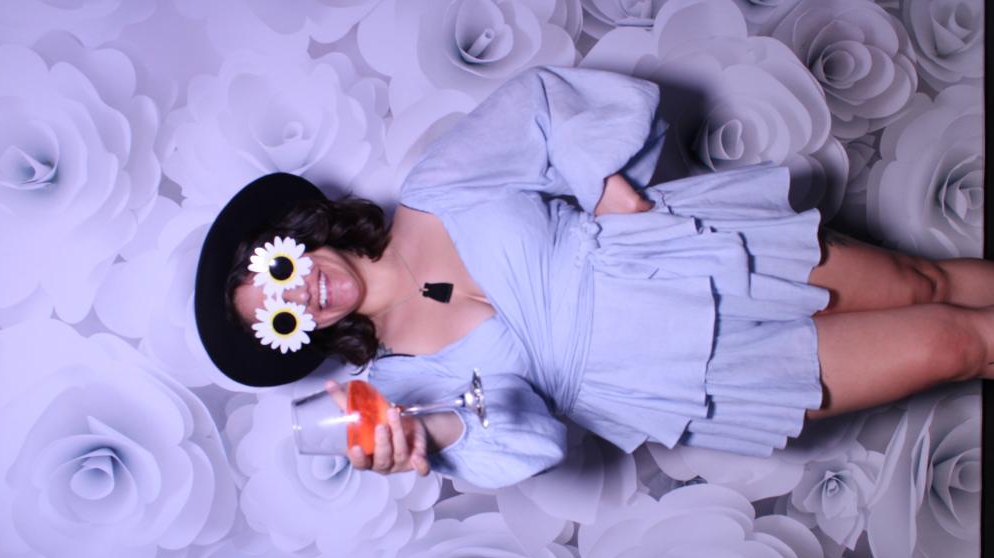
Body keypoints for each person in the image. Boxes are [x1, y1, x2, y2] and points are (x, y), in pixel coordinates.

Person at [195, 66, 994, 489]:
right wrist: (432, 435)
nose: (298, 296)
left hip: (686, 256)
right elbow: (539, 441)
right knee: (954, 346)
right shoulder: (396, 391)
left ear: (294, 239)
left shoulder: (436, 187)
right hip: (678, 379)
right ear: (295, 338)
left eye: (278, 274)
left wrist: (605, 187)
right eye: (281, 316)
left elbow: (541, 106)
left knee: (923, 283)